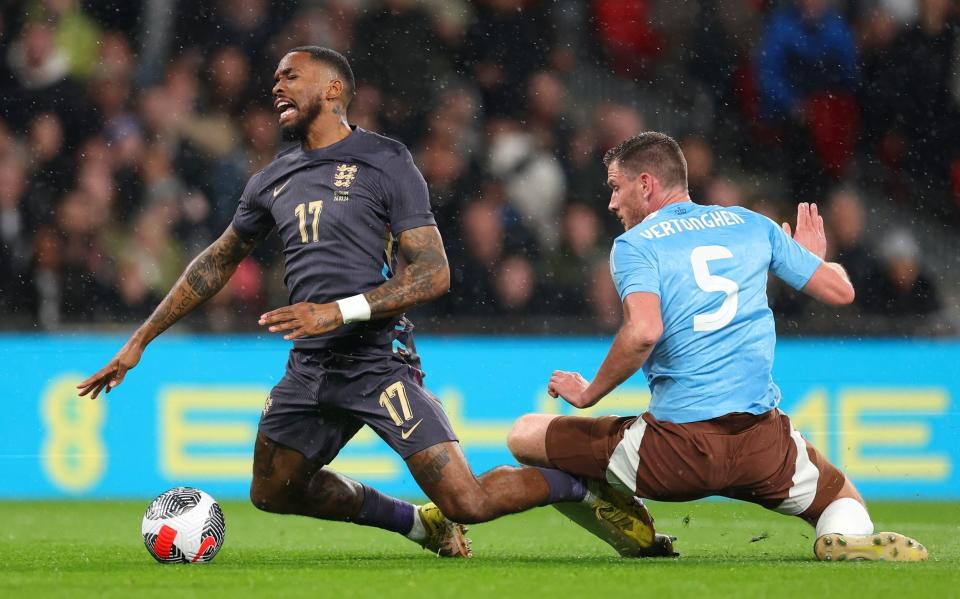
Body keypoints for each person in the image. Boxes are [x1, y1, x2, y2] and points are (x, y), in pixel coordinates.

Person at [77, 47, 672, 559]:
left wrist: (336, 312)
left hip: (376, 362)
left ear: (334, 89)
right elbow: (216, 260)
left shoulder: (385, 161)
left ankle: (582, 487)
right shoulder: (271, 179)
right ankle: (420, 525)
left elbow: (435, 272)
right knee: (273, 493)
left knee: (470, 500)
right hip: (310, 367)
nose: (276, 86)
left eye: (291, 76)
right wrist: (139, 341)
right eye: (276, 78)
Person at [507, 132, 928, 562]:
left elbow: (643, 332)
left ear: (647, 184)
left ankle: (617, 511)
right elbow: (840, 291)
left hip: (674, 452)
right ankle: (840, 539)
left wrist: (590, 391)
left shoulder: (635, 245)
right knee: (844, 502)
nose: (612, 203)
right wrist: (815, 260)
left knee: (525, 435)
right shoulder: (752, 224)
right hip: (762, 445)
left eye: (617, 188)